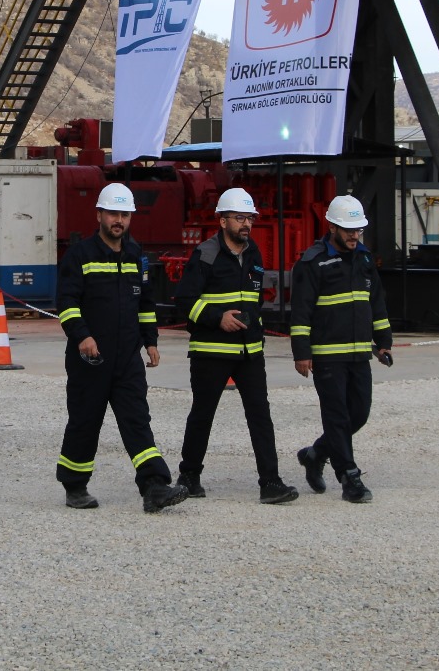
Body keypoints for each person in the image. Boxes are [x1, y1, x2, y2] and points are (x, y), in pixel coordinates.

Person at [55, 182, 189, 513]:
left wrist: (151, 341)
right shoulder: (80, 256)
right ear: (99, 214)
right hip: (90, 358)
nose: (119, 220)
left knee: (137, 419)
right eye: (113, 213)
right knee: (85, 422)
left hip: (127, 357)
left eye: (125, 215)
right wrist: (82, 336)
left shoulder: (134, 256)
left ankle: (155, 486)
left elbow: (144, 303)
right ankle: (74, 485)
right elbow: (67, 303)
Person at [173, 187, 298, 505]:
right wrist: (218, 318)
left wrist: (253, 327)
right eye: (239, 218)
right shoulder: (206, 254)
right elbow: (185, 300)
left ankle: (270, 482)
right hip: (211, 352)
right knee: (202, 414)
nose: (246, 224)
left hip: (249, 352)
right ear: (222, 220)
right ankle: (189, 477)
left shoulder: (253, 253)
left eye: (249, 218)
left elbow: (254, 298)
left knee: (260, 415)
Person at [288, 194, 393, 504]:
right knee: (336, 416)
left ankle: (316, 453)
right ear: (331, 226)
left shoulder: (363, 259)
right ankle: (349, 476)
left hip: (360, 353)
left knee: (358, 414)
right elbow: (301, 311)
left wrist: (384, 341)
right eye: (348, 229)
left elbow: (376, 303)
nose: (354, 235)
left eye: (358, 229)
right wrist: (301, 352)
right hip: (327, 355)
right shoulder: (313, 261)